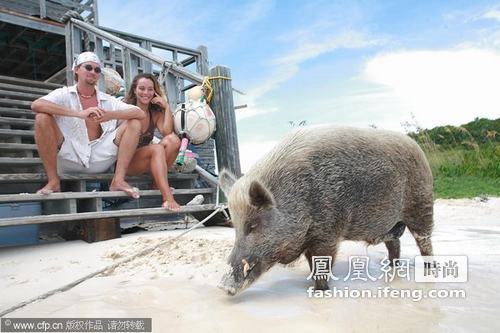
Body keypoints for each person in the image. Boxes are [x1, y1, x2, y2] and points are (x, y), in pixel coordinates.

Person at [31, 51, 144, 198]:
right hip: (68, 157)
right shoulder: (63, 94)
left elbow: (140, 113)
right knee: (42, 117)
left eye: (97, 70)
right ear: (76, 69)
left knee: (134, 123)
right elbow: (36, 105)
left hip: (99, 159)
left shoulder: (108, 100)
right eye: (88, 67)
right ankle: (53, 181)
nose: (93, 72)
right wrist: (79, 114)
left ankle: (118, 180)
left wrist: (109, 115)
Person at [123, 73, 181, 210]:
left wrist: (166, 107)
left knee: (173, 140)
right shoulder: (125, 109)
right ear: (134, 90)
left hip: (145, 158)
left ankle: (157, 183)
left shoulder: (154, 113)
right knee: (156, 148)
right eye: (142, 88)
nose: (146, 93)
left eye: (150, 89)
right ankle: (168, 198)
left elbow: (167, 132)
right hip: (125, 162)